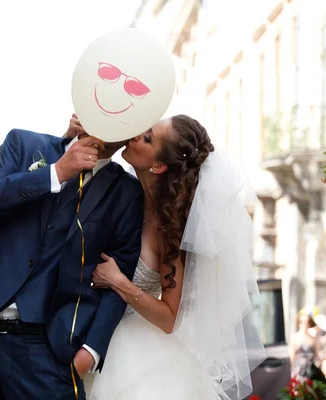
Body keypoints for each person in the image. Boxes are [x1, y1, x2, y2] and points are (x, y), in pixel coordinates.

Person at [0, 114, 144, 399]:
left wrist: (90, 353)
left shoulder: (127, 193)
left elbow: (120, 278)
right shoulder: (25, 144)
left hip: (49, 350)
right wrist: (54, 173)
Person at [84, 115, 266, 399]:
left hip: (134, 356)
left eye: (147, 137)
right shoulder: (122, 195)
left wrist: (120, 282)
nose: (135, 135)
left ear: (158, 166)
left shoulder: (172, 230)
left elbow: (170, 318)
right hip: (87, 334)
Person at [290, 310, 323, 380]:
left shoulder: (313, 339)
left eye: (307, 322)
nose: (305, 325)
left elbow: (317, 355)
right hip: (298, 371)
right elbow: (292, 358)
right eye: (302, 322)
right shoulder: (294, 338)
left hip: (311, 371)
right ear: (298, 323)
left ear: (310, 324)